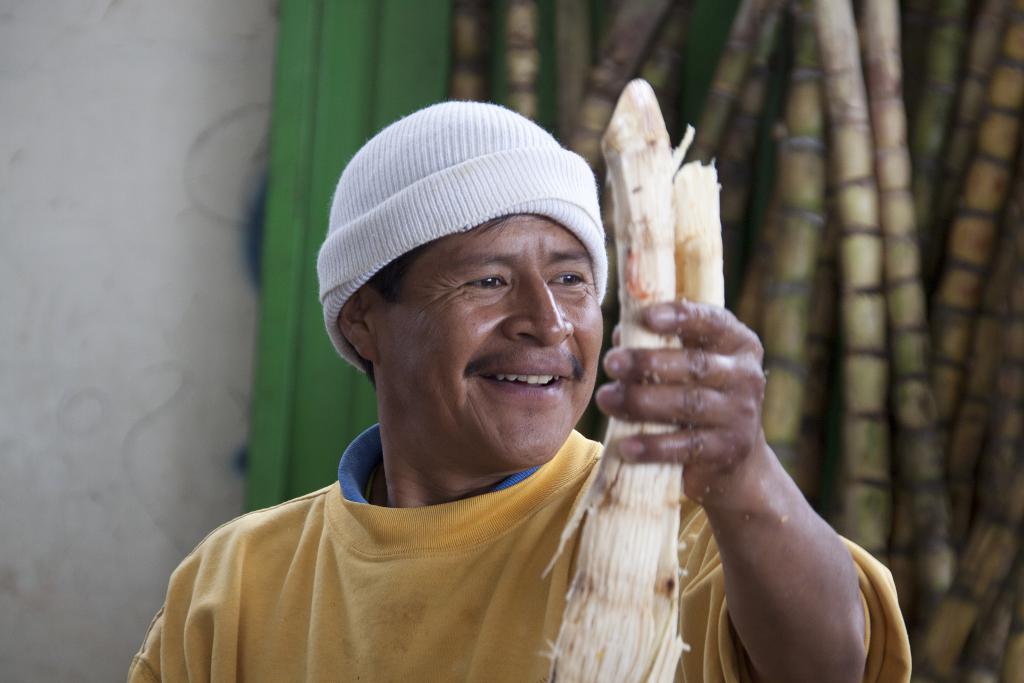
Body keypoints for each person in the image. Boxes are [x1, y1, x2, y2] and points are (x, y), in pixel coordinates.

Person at [128, 102, 910, 682]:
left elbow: (831, 665)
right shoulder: (234, 586)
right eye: (488, 279)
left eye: (572, 278)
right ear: (365, 320)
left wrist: (744, 473)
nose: (548, 322)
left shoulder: (690, 541)